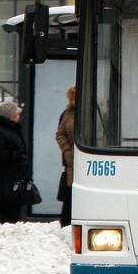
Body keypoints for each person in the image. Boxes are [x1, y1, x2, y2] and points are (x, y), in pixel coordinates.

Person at [0, 100, 29, 224]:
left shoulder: (11, 129)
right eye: (16, 115)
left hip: (12, 178)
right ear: (9, 116)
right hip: (2, 180)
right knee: (4, 213)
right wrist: (16, 155)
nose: (18, 117)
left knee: (13, 211)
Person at [55, 85, 76, 227]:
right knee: (70, 194)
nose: (72, 102)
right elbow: (60, 134)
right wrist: (67, 151)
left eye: (74, 99)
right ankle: (67, 225)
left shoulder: (96, 111)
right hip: (72, 161)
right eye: (71, 99)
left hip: (91, 157)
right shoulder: (67, 113)